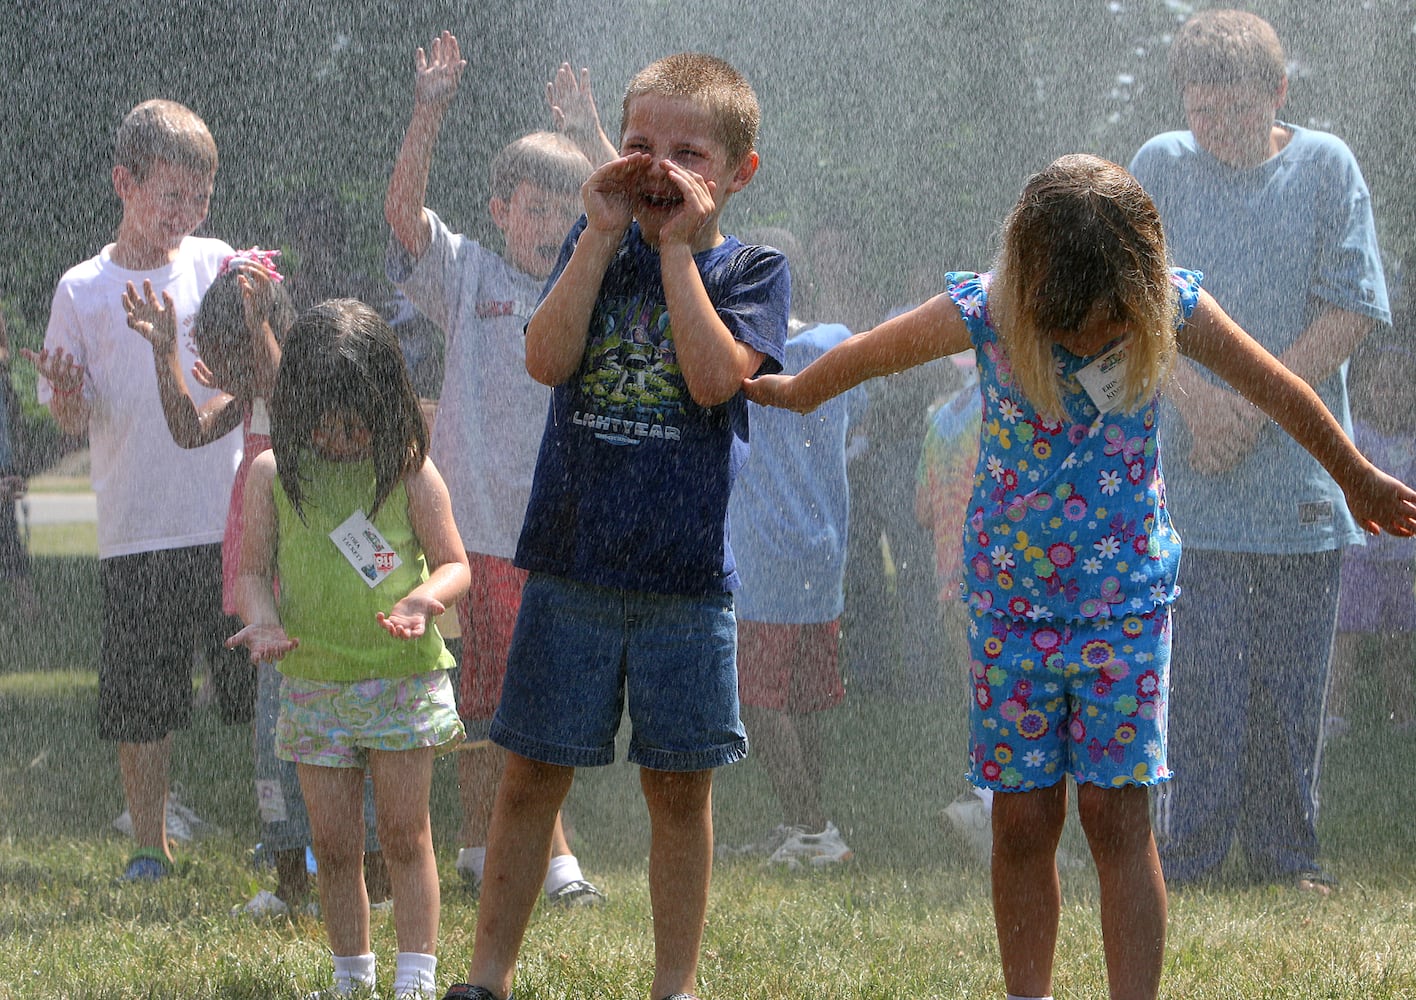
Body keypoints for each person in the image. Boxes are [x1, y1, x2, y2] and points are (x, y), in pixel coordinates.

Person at [743, 154, 1416, 1000]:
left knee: (1117, 813)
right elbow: (871, 357)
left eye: (1100, 325)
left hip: (1125, 603)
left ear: (1135, 285)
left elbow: (1278, 389)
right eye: (1059, 324)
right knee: (1022, 819)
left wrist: (1357, 477)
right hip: (1008, 605)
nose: (1080, 342)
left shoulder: (1172, 305)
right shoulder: (988, 308)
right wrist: (797, 391)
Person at [439, 52, 788, 1000]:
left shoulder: (752, 268)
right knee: (528, 778)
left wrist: (679, 251)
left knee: (678, 791)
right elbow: (546, 360)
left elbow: (718, 380)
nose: (659, 166)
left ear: (737, 172)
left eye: (689, 152)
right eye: (640, 145)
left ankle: (674, 983)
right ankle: (486, 977)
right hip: (569, 567)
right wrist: (596, 238)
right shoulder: (586, 247)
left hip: (683, 583)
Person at [1128, 9, 1391, 893]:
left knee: (1288, 689)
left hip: (1300, 484)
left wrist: (1254, 406)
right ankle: (1190, 856)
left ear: (1279, 95)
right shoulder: (1159, 164)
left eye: (1236, 114)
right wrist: (1201, 407)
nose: (1216, 131)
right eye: (1202, 113)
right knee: (1196, 684)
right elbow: (1134, 307)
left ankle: (1288, 858)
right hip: (1190, 476)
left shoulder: (1328, 167)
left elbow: (1352, 307)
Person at [383, 31, 604, 907]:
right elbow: (403, 214)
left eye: (565, 210)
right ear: (500, 208)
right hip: (470, 532)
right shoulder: (467, 272)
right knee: (485, 704)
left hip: (553, 530)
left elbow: (636, 215)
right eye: (533, 209)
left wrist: (591, 129)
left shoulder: (590, 276)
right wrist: (428, 109)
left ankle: (518, 856)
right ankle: (516, 858)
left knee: (528, 699)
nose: (548, 225)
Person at [122, 251, 391, 917]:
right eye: (216, 356)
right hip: (270, 597)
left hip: (321, 591)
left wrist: (258, 318)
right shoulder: (250, 395)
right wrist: (165, 355)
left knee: (351, 736)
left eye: (233, 355)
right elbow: (188, 429)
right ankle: (289, 882)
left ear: (264, 332)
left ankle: (378, 881)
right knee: (276, 743)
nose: (232, 372)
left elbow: (277, 376)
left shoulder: (307, 387)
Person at [24, 99, 244, 881]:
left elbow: (252, 370)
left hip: (231, 522)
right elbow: (73, 416)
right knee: (143, 701)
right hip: (137, 527)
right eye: (169, 195)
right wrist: (66, 394)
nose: (184, 215)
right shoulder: (82, 289)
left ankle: (288, 826)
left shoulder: (218, 264)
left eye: (199, 197)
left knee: (259, 686)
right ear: (124, 181)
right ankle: (150, 843)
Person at [227, 299, 471, 999]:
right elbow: (250, 573)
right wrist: (265, 621)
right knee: (333, 847)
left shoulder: (409, 473)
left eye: (355, 425)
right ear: (297, 407)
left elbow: (454, 563)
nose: (339, 440)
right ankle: (351, 978)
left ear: (386, 405)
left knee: (403, 835)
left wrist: (424, 600)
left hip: (400, 681)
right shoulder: (274, 474)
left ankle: (416, 979)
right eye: (325, 426)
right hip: (313, 685)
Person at [723, 226, 865, 868]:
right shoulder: (835, 343)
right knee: (808, 695)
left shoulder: (743, 360)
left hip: (764, 555)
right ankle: (811, 822)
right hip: (824, 550)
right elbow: (858, 422)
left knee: (760, 695)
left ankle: (810, 827)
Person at [1327, 333, 1416, 737]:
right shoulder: (1356, 437)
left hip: (1403, 563)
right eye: (1383, 384)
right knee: (1347, 637)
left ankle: (1404, 717)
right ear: (1366, 389)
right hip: (1362, 558)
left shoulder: (1411, 442)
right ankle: (1334, 715)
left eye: (1400, 386)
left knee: (1400, 640)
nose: (1391, 393)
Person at [0, 310, 39, 619]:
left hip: (5, 470)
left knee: (9, 537)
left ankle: (27, 605)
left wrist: (18, 471)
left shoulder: (4, 383)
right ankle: (27, 605)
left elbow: (14, 431)